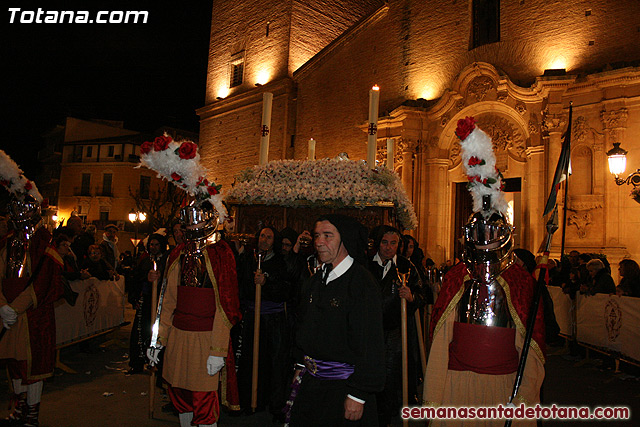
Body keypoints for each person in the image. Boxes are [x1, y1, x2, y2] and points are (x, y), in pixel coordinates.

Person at [423, 116, 544, 426]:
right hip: (457, 383)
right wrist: (434, 394)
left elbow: (531, 343)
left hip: (503, 385)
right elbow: (440, 340)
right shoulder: (456, 278)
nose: (485, 239)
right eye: (480, 232)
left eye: (492, 232)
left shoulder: (519, 282)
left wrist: (525, 395)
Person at [147, 201, 241, 427]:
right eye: (186, 226)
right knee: (180, 396)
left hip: (205, 338)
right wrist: (158, 340)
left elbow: (226, 306)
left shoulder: (221, 254)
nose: (189, 230)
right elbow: (167, 302)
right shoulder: (178, 253)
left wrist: (218, 350)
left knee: (204, 400)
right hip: (178, 337)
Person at [289, 214, 385, 426]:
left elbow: (371, 343)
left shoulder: (362, 284)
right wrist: (300, 362)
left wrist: (358, 394)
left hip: (345, 390)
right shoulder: (314, 281)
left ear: (345, 240)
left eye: (327, 236)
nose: (318, 242)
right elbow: (304, 326)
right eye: (317, 236)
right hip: (312, 386)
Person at [0, 196, 66, 427]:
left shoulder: (42, 243)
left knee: (32, 366)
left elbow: (44, 282)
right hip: (8, 313)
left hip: (32, 315)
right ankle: (20, 405)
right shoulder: (6, 242)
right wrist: (2, 307)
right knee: (14, 363)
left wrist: (15, 307)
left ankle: (32, 411)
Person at [368, 226, 426, 425]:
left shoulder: (406, 267)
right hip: (368, 330)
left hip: (394, 331)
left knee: (390, 376)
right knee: (368, 373)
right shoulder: (366, 264)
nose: (388, 247)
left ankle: (386, 417)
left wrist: (411, 297)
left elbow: (422, 294)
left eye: (393, 243)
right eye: (385, 242)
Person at [235, 226, 292, 420]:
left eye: (269, 237)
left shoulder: (279, 262)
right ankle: (249, 400)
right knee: (250, 359)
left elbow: (286, 289)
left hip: (273, 320)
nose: (265, 240)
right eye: (262, 236)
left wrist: (267, 282)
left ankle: (275, 404)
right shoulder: (247, 259)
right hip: (252, 316)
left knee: (275, 362)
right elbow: (240, 285)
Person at [127, 234, 168, 374]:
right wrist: (134, 298)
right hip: (146, 301)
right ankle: (137, 362)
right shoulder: (144, 261)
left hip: (160, 302)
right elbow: (136, 279)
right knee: (140, 332)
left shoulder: (166, 261)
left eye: (156, 245)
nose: (154, 247)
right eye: (152, 245)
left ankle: (158, 364)